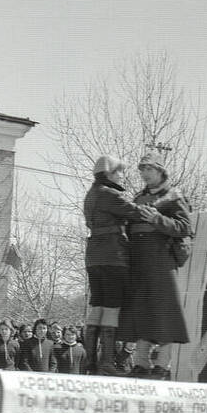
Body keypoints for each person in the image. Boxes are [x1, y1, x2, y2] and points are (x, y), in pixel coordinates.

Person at [124, 148, 193, 380]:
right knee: (142, 314)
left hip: (162, 261)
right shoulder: (138, 198)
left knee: (165, 315)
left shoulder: (175, 196)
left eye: (149, 169)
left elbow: (184, 227)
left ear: (160, 171)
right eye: (142, 169)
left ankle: (162, 366)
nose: (144, 173)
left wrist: (157, 219)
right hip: (140, 261)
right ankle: (141, 364)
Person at [82, 154, 147, 376]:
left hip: (94, 257)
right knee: (111, 308)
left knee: (97, 307)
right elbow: (137, 212)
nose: (122, 177)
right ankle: (107, 362)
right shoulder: (109, 194)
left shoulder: (91, 194)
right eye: (120, 172)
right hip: (113, 256)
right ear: (109, 173)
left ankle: (90, 362)